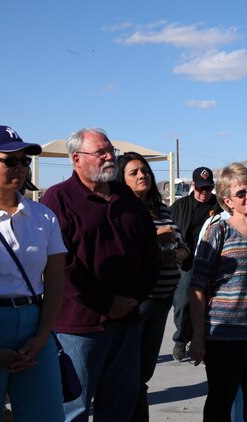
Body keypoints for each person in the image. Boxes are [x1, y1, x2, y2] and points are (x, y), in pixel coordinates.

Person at [40, 128, 159, 422]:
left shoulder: (126, 197)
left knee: (120, 403)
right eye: (101, 152)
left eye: (110, 151)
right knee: (74, 407)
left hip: (127, 321)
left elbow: (151, 250)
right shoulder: (58, 199)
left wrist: (135, 298)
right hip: (79, 328)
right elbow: (62, 266)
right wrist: (107, 302)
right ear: (76, 159)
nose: (109, 157)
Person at [188, 162, 247, 421]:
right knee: (221, 405)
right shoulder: (217, 230)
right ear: (227, 200)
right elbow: (197, 287)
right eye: (241, 193)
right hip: (225, 336)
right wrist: (198, 336)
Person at [0, 126, 66, 421]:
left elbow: (56, 281)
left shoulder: (43, 216)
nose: (20, 168)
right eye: (10, 161)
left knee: (46, 415)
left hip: (35, 330)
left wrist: (42, 335)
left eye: (24, 161)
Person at [115, 152, 189, 422]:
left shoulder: (162, 209)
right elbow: (119, 250)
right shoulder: (119, 210)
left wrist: (178, 254)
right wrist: (154, 238)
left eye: (144, 170)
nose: (141, 175)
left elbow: (182, 244)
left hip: (162, 299)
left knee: (144, 371)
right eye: (133, 172)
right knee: (128, 371)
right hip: (137, 301)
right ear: (121, 179)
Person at [170, 166, 223, 361]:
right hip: (187, 262)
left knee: (209, 303)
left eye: (208, 189)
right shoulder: (179, 207)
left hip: (212, 261)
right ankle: (181, 339)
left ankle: (203, 339)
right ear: (193, 185)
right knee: (183, 302)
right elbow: (170, 231)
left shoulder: (219, 206)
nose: (204, 193)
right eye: (200, 189)